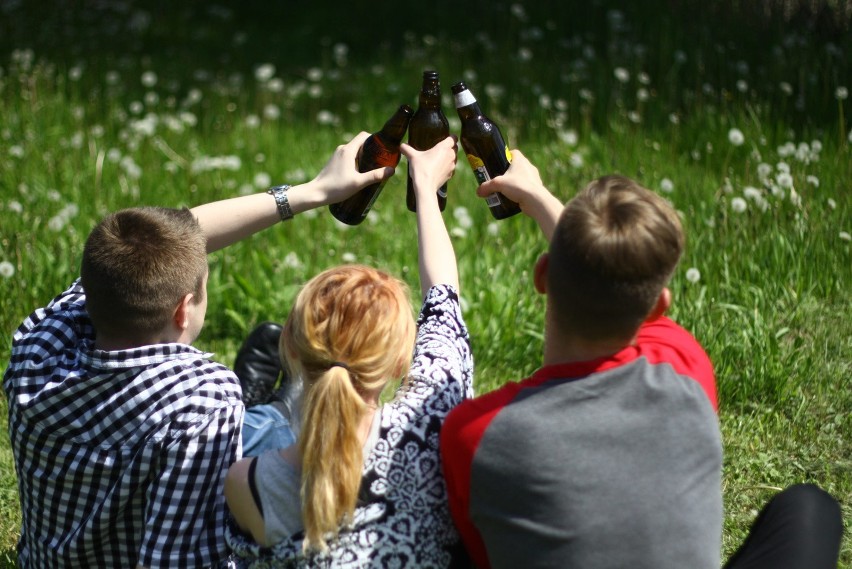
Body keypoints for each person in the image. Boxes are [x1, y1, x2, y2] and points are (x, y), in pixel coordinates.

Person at [2, 131, 395, 569]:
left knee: (259, 428)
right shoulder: (202, 399)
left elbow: (173, 238)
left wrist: (313, 192)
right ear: (183, 310)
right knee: (278, 435)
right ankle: (278, 412)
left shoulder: (38, 344)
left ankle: (271, 409)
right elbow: (183, 558)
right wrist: (311, 192)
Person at [440, 152, 843, 569]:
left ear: (542, 276)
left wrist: (536, 196)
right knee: (810, 509)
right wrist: (541, 197)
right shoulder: (686, 370)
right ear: (659, 306)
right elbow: (614, 280)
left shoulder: (476, 431)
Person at [224, 135, 475, 567]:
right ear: (401, 360)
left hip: (273, 465)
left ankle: (265, 409)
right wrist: (426, 191)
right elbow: (444, 293)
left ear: (291, 348)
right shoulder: (435, 418)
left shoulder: (248, 483)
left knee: (238, 435)